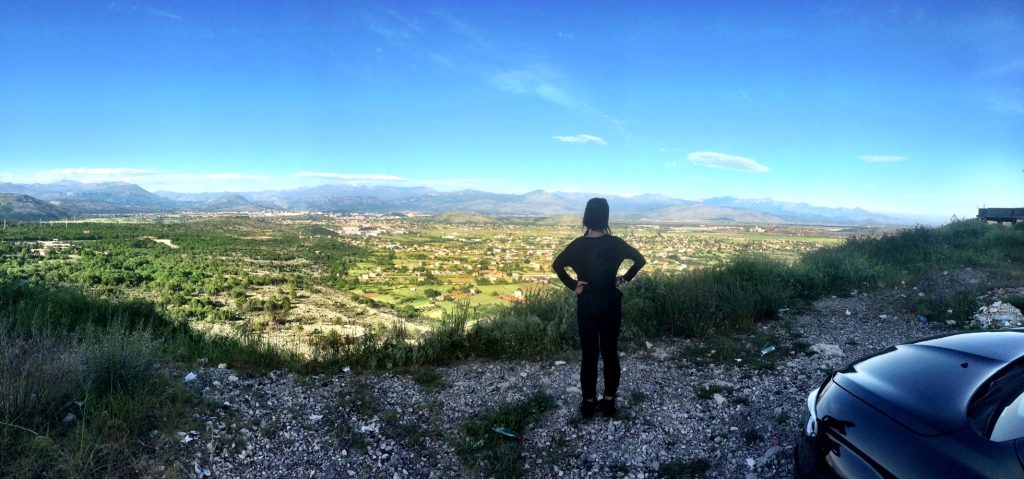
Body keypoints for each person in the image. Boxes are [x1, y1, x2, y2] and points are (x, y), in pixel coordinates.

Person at [552, 198, 646, 418]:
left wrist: (573, 285)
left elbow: (557, 265)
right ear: (605, 217)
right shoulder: (616, 243)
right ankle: (610, 401)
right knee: (611, 353)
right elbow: (640, 260)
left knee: (589, 355)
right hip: (611, 303)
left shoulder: (577, 245)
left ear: (586, 217)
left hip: (587, 303)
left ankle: (588, 402)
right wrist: (623, 279)